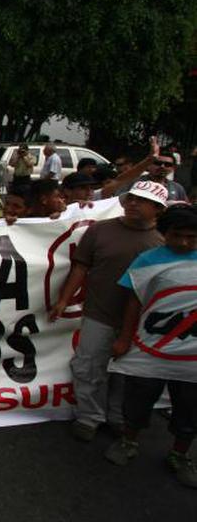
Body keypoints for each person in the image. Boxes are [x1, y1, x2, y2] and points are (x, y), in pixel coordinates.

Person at [48, 180, 167, 442]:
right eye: (132, 198)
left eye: (143, 201)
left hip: (141, 322)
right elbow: (81, 267)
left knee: (126, 374)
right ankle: (89, 417)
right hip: (98, 313)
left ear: (158, 209)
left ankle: (117, 418)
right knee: (88, 366)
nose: (134, 203)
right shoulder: (99, 231)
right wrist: (64, 300)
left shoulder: (164, 243)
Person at [104, 204, 197, 487]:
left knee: (191, 407)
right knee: (139, 398)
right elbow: (134, 301)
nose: (183, 242)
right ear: (164, 233)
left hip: (192, 355)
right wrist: (124, 339)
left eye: (192, 237)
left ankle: (180, 454)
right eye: (176, 235)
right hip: (150, 349)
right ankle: (128, 441)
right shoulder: (147, 261)